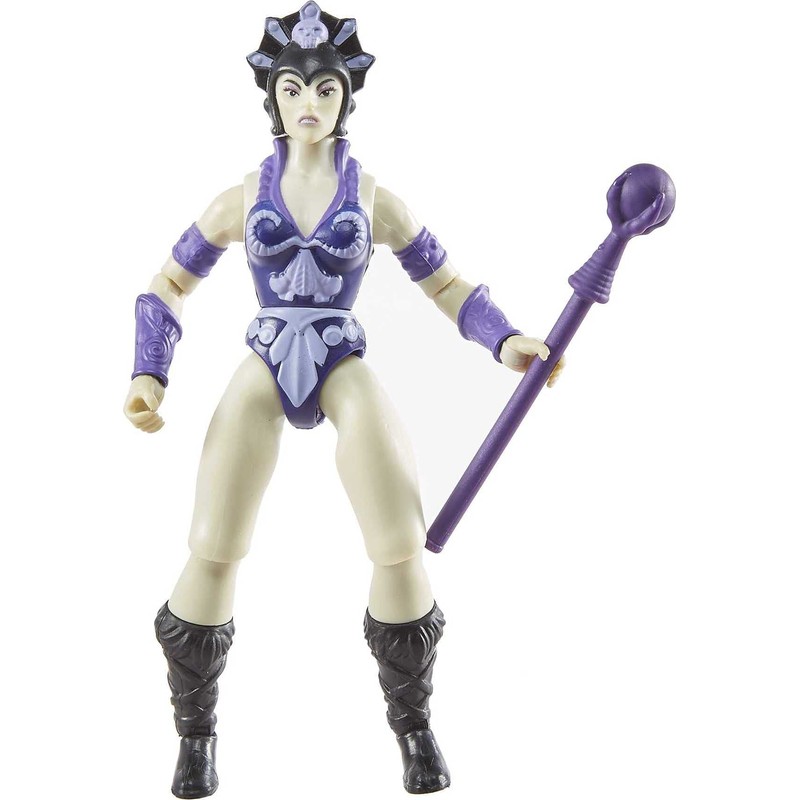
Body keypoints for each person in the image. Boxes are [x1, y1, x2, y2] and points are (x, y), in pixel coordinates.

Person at [124, 3, 561, 797]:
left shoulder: (375, 199)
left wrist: (506, 341)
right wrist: (148, 371)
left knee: (398, 539)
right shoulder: (238, 197)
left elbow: (449, 285)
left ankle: (414, 725)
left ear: (346, 95)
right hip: (266, 358)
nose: (309, 103)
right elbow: (167, 285)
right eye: (294, 88)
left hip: (338, 356)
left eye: (325, 88)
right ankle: (195, 735)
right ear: (273, 96)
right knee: (213, 541)